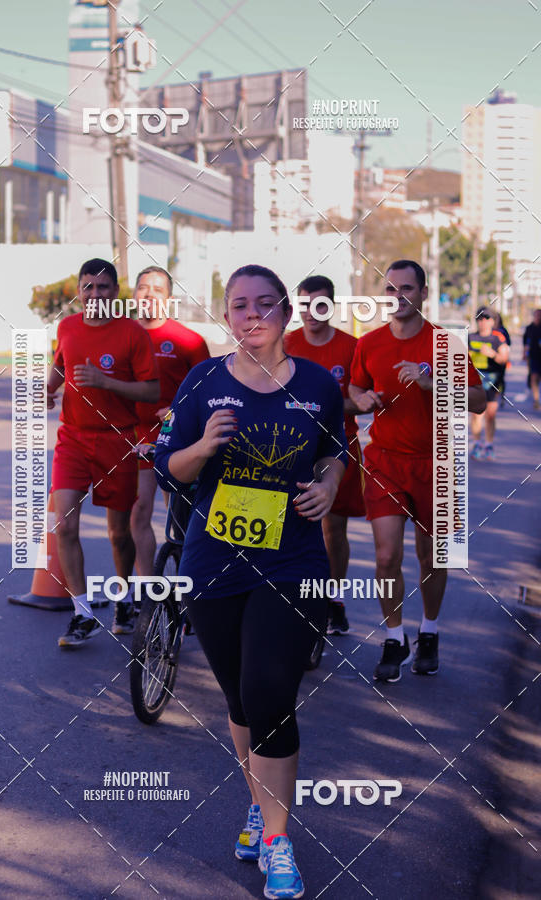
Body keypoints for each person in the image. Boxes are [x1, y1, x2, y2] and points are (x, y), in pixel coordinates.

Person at [154, 264, 347, 900]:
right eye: (239, 305)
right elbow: (171, 471)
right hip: (214, 562)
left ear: (287, 312)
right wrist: (204, 445)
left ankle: (277, 840)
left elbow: (334, 452)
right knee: (240, 701)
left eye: (265, 303)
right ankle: (261, 807)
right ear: (228, 315)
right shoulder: (203, 380)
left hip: (292, 563)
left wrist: (326, 488)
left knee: (269, 694)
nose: (252, 314)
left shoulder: (318, 384)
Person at [349, 259, 485, 683]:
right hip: (386, 460)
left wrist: (434, 385)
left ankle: (429, 630)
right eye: (391, 289)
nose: (398, 296)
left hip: (440, 462)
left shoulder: (445, 343)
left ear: (424, 293)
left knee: (431, 555)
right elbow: (353, 389)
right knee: (387, 555)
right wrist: (363, 398)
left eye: (407, 288)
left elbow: (480, 400)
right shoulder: (369, 342)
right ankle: (394, 637)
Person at [46, 259, 159, 648]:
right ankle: (82, 614)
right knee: (65, 525)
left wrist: (105, 382)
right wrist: (48, 388)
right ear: (79, 291)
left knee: (118, 533)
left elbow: (151, 391)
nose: (95, 295)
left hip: (117, 440)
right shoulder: (67, 326)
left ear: (115, 293)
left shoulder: (132, 333)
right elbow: (61, 364)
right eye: (88, 287)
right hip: (73, 439)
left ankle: (124, 598)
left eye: (104, 287)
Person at [115, 265, 210, 635]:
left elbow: (209, 394)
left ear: (169, 297)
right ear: (134, 295)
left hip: (179, 444)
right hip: (135, 441)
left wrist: (179, 411)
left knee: (180, 526)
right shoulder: (121, 336)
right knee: (138, 516)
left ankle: (188, 596)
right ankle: (147, 599)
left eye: (157, 289)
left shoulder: (187, 340)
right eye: (142, 288)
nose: (148, 294)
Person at [284, 274, 365, 635]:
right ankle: (289, 596)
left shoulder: (352, 346)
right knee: (289, 526)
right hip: (290, 447)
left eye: (319, 304)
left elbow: (362, 400)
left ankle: (334, 598)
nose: (311, 312)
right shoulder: (286, 343)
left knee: (333, 529)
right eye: (304, 304)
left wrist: (323, 403)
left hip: (337, 448)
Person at [468, 307, 509, 461]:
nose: (482, 322)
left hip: (492, 380)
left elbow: (504, 358)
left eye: (486, 318)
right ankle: (477, 443)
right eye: (479, 319)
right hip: (475, 380)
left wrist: (492, 354)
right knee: (477, 414)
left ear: (492, 321)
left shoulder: (497, 338)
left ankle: (489, 445)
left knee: (490, 415)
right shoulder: (470, 337)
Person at [491, 310, 511, 406]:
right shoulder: (489, 330)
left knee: (501, 378)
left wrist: (505, 356)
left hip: (502, 358)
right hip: (490, 359)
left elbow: (508, 344)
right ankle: (494, 396)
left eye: (496, 319)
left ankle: (502, 396)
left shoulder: (503, 330)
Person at [523, 308, 541, 410]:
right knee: (534, 377)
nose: (538, 317)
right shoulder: (529, 328)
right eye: (537, 315)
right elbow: (525, 342)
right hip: (533, 356)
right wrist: (524, 354)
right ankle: (536, 399)